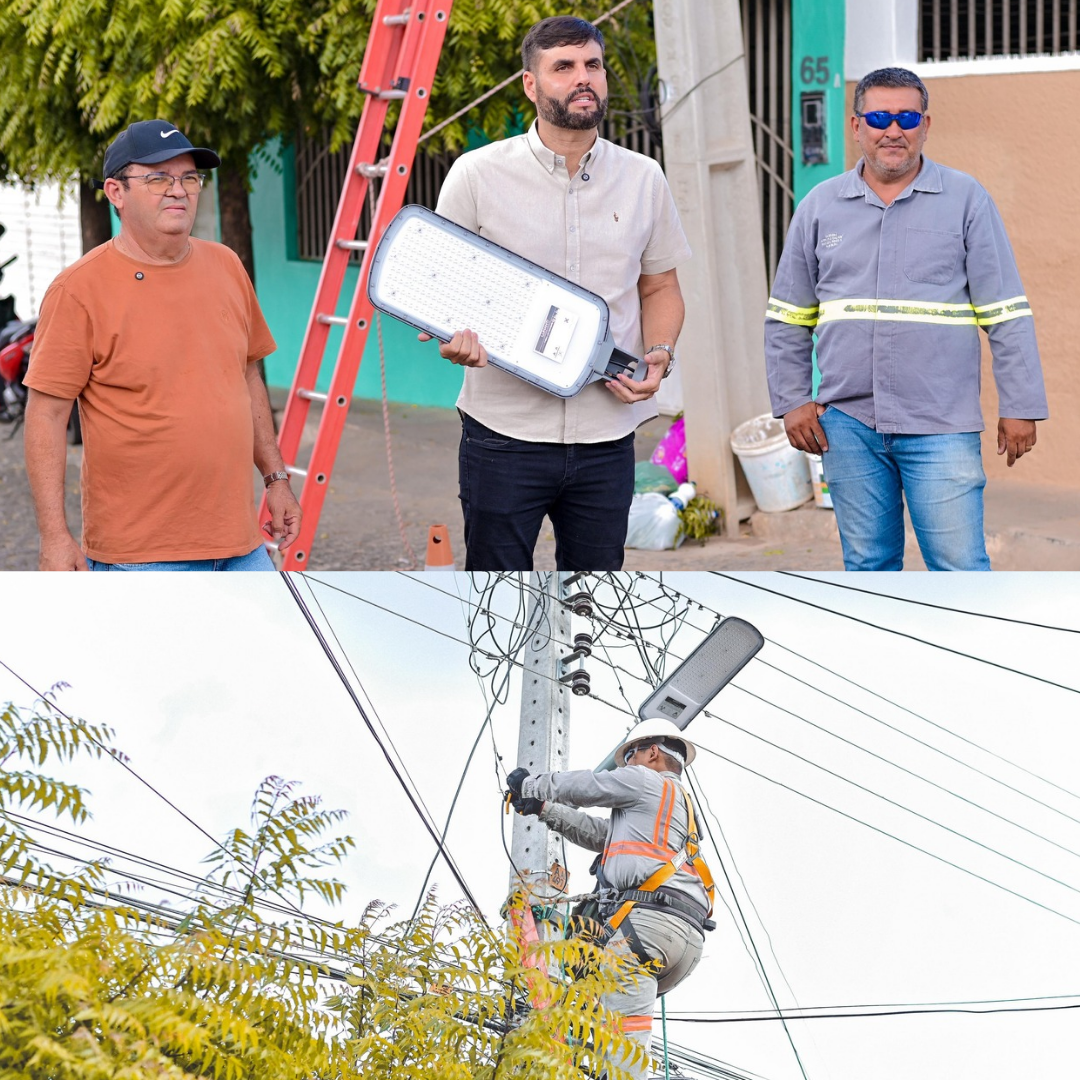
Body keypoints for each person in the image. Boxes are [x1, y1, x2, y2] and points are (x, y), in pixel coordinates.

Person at [428, 16, 690, 571]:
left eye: (592, 64)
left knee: (592, 608)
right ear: (531, 84)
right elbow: (442, 293)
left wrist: (660, 354)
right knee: (497, 609)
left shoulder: (644, 178)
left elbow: (661, 286)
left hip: (606, 436)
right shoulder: (476, 175)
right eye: (563, 67)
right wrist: (455, 341)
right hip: (503, 435)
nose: (583, 79)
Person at [764, 67, 1049, 571]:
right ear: (856, 127)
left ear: (926, 124)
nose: (893, 130)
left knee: (959, 567)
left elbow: (1006, 313)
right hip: (848, 425)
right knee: (868, 566)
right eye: (878, 117)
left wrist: (1021, 405)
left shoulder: (966, 200)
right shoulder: (819, 208)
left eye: (906, 117)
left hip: (940, 423)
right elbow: (788, 317)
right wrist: (791, 402)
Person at [23, 119, 300, 571]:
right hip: (140, 558)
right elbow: (47, 414)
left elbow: (247, 376)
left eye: (189, 177)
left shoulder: (226, 265)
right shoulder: (78, 290)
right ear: (116, 193)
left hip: (242, 545)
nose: (179, 190)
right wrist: (54, 536)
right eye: (158, 178)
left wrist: (276, 478)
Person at [506, 719, 712, 1077]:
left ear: (651, 752)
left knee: (623, 1049)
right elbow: (602, 835)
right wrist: (543, 810)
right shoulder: (681, 807)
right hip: (683, 940)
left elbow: (588, 786)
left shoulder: (645, 779)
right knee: (609, 1029)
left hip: (644, 927)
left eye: (629, 756)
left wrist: (532, 785)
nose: (624, 766)